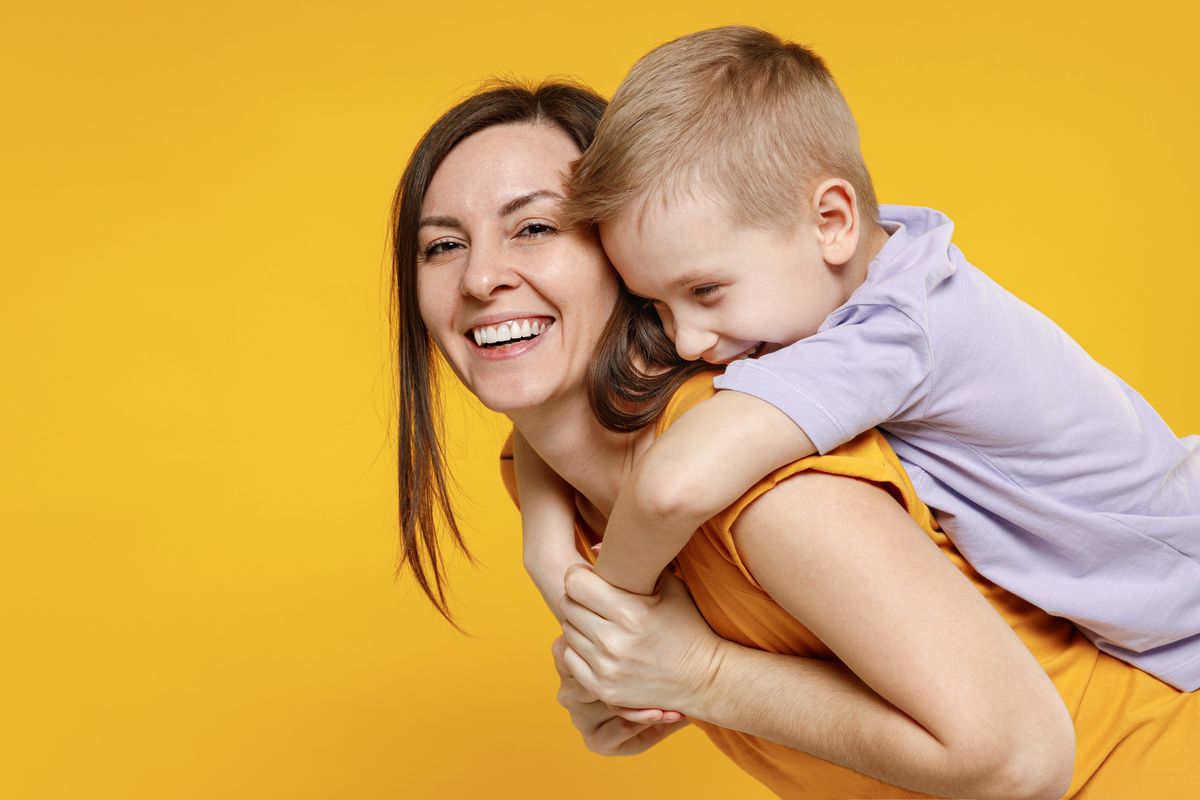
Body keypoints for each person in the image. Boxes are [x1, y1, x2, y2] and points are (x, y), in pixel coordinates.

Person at [394, 81, 1199, 798]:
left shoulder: (754, 465)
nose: (479, 277)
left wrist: (681, 666)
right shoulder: (555, 473)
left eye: (533, 227)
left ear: (619, 246)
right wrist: (599, 639)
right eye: (441, 245)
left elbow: (1019, 758)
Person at [512, 25, 1200, 692]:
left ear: (832, 221)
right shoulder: (866, 263)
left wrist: (610, 618)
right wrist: (545, 542)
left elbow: (672, 486)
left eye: (706, 291)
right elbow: (551, 419)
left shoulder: (891, 332)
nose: (687, 341)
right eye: (655, 306)